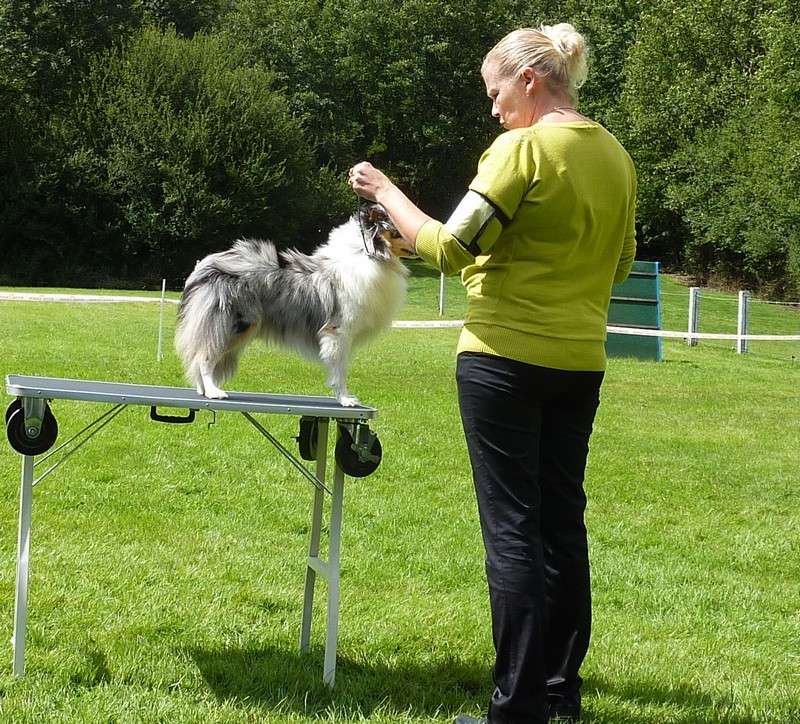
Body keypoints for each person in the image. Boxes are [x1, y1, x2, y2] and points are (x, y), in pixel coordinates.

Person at [349, 22, 636, 724]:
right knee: (562, 529)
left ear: (530, 80)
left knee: (512, 531)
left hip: (503, 361)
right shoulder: (615, 155)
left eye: (496, 90)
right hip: (580, 364)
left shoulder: (522, 149)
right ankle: (561, 698)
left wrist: (387, 194)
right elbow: (620, 264)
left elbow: (450, 246)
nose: (493, 107)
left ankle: (515, 709)